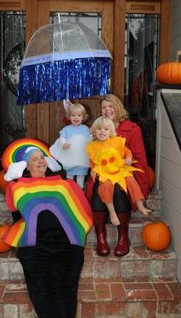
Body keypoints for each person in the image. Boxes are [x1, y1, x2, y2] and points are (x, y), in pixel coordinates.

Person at [3, 146, 93, 318]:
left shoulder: (62, 183)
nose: (40, 161)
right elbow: (18, 216)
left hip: (66, 242)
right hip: (36, 245)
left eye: (42, 157)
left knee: (67, 287)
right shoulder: (18, 186)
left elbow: (77, 208)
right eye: (35, 159)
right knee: (44, 289)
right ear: (26, 166)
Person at [86, 94, 150, 257]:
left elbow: (140, 159)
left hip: (122, 173)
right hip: (104, 174)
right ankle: (101, 237)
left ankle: (123, 237)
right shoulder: (99, 129)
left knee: (118, 188)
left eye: (110, 106)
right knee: (100, 187)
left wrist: (142, 186)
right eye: (104, 107)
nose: (107, 110)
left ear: (118, 107)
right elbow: (93, 155)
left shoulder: (132, 129)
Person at [86, 116, 151, 227]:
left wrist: (129, 159)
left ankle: (140, 205)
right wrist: (94, 170)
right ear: (94, 131)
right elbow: (93, 162)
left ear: (111, 132)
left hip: (120, 169)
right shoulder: (93, 146)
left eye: (106, 129)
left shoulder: (117, 141)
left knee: (131, 181)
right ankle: (112, 212)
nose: (102, 131)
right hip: (105, 171)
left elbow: (127, 152)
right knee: (105, 187)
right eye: (99, 129)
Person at [50, 102, 91, 189]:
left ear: (83, 117)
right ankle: (70, 191)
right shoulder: (67, 129)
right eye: (73, 115)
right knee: (70, 178)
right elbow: (62, 138)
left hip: (81, 159)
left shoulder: (86, 129)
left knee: (80, 177)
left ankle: (80, 191)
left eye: (79, 115)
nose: (76, 118)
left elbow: (90, 140)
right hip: (70, 158)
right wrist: (63, 144)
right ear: (69, 116)